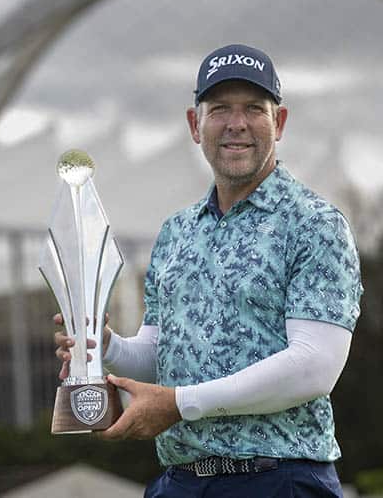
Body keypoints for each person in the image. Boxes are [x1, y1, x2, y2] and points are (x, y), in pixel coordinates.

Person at [54, 44, 363, 497]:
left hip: (279, 480)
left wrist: (179, 405)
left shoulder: (314, 224)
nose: (236, 124)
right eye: (219, 108)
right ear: (194, 125)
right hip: (180, 482)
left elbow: (313, 367)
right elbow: (161, 351)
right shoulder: (176, 231)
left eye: (253, 109)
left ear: (278, 123)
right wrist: (107, 347)